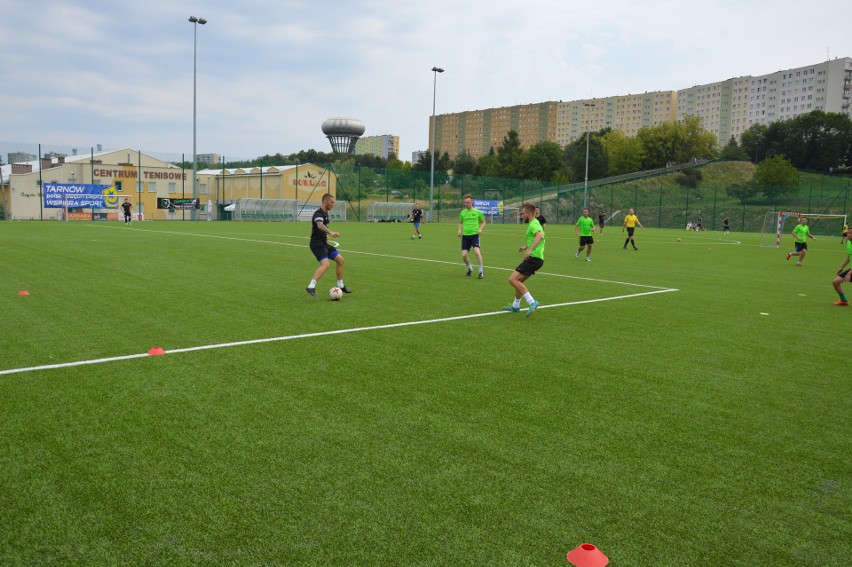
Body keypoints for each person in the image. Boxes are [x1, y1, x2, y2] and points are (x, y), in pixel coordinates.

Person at [306, 193, 351, 297]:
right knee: (326, 265)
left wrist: (325, 236)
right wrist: (330, 232)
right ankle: (310, 287)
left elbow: (321, 227)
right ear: (325, 201)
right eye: (332, 202)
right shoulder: (318, 214)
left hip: (323, 243)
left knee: (340, 260)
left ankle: (340, 285)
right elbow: (320, 225)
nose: (333, 204)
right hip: (316, 245)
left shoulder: (325, 213)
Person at [504, 202, 544, 317]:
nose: (521, 216)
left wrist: (529, 250)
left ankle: (532, 302)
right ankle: (515, 306)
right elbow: (541, 238)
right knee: (518, 281)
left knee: (512, 280)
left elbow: (540, 236)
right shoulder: (536, 223)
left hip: (533, 258)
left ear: (529, 213)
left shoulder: (533, 224)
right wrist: (526, 247)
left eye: (522, 213)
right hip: (537, 259)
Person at [458, 194, 486, 279]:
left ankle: (481, 272)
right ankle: (470, 268)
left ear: (472, 202)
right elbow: (460, 222)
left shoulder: (477, 212)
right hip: (465, 236)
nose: (466, 203)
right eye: (465, 202)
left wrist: (480, 229)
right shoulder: (463, 212)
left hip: (474, 235)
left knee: (477, 252)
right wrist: (459, 230)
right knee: (464, 255)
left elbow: (484, 221)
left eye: (468, 202)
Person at [831, 233, 852, 305]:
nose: (848, 234)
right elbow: (849, 256)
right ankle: (843, 300)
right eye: (848, 233)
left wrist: (849, 274)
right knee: (835, 282)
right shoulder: (848, 242)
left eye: (851, 233)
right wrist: (842, 267)